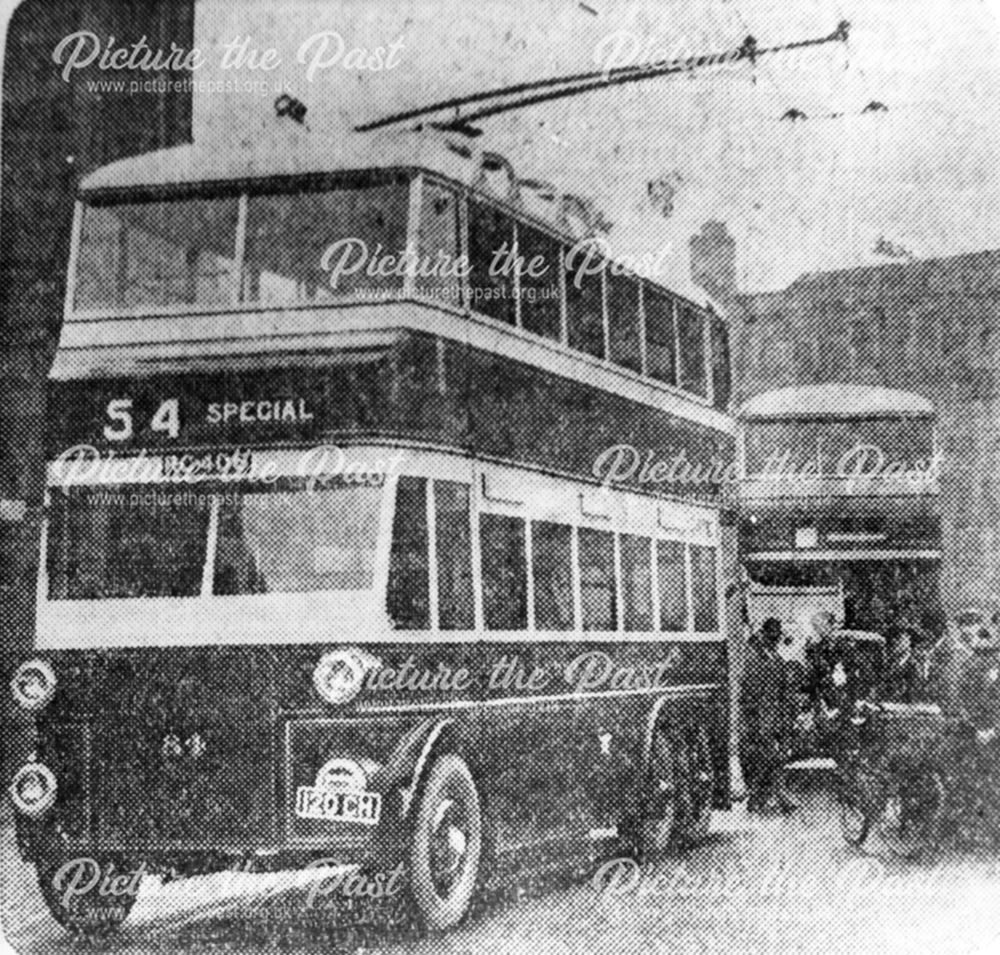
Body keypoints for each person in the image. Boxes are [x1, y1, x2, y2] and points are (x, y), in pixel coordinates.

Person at [740, 618, 798, 813]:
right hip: (761, 715)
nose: (776, 639)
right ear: (766, 634)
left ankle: (762, 798)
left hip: (773, 715)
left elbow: (782, 686)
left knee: (775, 755)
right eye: (774, 635)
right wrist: (753, 717)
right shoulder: (755, 655)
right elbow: (750, 690)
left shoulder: (771, 655)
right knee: (767, 757)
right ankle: (771, 797)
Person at [881, 628, 927, 703]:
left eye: (899, 639)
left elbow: (916, 686)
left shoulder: (913, 663)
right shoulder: (892, 660)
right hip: (890, 700)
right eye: (895, 639)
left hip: (906, 702)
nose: (894, 642)